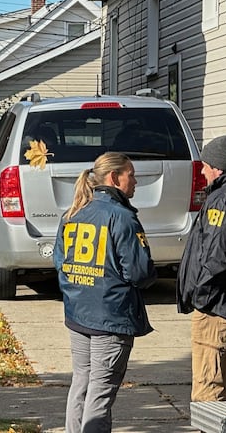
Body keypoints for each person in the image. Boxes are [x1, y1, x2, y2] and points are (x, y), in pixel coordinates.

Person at [53, 152, 157, 433]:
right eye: (130, 174)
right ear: (114, 178)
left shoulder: (73, 213)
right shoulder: (122, 217)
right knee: (99, 394)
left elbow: (60, 263)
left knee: (81, 386)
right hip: (111, 318)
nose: (135, 180)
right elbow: (140, 272)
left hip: (78, 314)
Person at [176, 134, 226, 402]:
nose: (204, 172)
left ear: (217, 167)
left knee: (209, 395)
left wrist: (201, 298)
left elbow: (217, 256)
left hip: (217, 314)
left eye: (205, 166)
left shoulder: (223, 198)